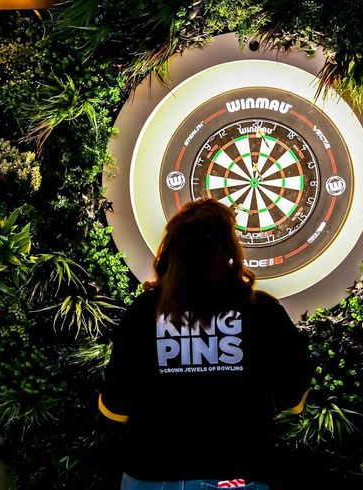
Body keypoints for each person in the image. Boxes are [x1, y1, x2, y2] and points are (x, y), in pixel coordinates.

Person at [98, 199, 312, 490]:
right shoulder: (263, 311)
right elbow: (293, 399)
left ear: (170, 250)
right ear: (230, 250)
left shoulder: (143, 311)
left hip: (152, 474)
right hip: (238, 477)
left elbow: (114, 408)